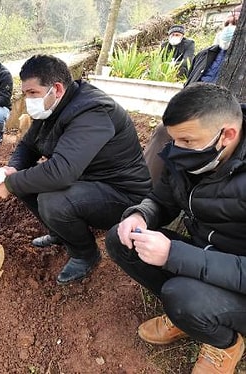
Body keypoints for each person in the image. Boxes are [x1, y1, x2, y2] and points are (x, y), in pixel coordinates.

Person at [105, 83, 246, 374]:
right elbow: (162, 199)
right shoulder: (193, 155)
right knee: (121, 240)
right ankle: (184, 315)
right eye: (173, 140)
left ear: (228, 135)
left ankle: (225, 342)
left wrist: (174, 255)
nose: (177, 151)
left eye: (186, 141)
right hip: (205, 252)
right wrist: (141, 215)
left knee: (183, 296)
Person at [0, 55, 152, 285]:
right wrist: (10, 170)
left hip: (123, 195)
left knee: (52, 200)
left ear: (57, 88)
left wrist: (11, 183)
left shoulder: (92, 111)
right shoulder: (53, 107)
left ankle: (85, 254)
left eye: (32, 93)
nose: (28, 100)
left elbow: (61, 172)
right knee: (26, 181)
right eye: (25, 94)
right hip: (88, 182)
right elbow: (28, 145)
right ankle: (61, 233)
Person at [145, 24, 237, 185]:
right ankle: (144, 184)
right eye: (227, 24)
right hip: (193, 109)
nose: (229, 28)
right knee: (164, 131)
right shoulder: (205, 54)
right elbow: (189, 85)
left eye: (235, 23)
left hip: (224, 113)